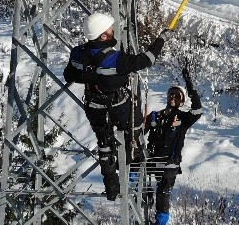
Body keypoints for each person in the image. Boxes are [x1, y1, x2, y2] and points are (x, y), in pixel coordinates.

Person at [64, 12, 166, 201]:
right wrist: (161, 39)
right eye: (110, 30)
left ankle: (111, 186)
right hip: (118, 107)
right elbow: (148, 59)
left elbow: (69, 75)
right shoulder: (115, 59)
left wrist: (90, 76)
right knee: (134, 124)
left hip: (94, 106)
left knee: (104, 142)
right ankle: (131, 154)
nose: (113, 31)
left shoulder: (77, 54)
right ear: (103, 36)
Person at [144, 65, 202, 225]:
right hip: (153, 161)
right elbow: (140, 132)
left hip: (170, 164)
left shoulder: (183, 118)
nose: (173, 98)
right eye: (171, 94)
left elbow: (198, 110)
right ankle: (143, 211)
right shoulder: (156, 116)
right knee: (139, 181)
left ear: (182, 101)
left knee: (163, 194)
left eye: (177, 96)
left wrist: (190, 86)